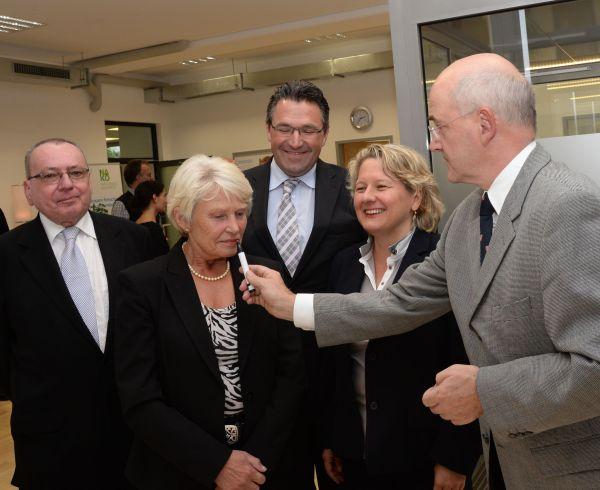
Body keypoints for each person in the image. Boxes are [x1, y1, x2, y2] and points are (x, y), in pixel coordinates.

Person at [241, 53, 600, 489]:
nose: (434, 143)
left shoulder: (567, 205)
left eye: (439, 126)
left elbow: (594, 366)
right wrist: (292, 305)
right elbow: (402, 301)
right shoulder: (469, 218)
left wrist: (484, 391)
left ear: (484, 124)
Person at [114, 154, 306, 490]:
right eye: (219, 216)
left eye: (240, 213)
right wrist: (217, 465)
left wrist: (254, 462)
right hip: (178, 470)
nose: (234, 227)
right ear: (182, 218)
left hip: (267, 468)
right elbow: (141, 399)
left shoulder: (265, 275)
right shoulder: (142, 286)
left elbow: (292, 374)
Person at [321, 143, 481, 489]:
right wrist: (334, 436)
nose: (368, 197)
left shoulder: (444, 260)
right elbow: (336, 365)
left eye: (382, 186)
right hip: (356, 456)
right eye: (361, 188)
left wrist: (454, 458)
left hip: (424, 457)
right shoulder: (343, 264)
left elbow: (466, 359)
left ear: (415, 197)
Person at [0, 138, 150, 489]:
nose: (67, 184)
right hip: (50, 446)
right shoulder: (6, 256)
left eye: (76, 172)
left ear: (88, 179)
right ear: (29, 190)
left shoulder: (134, 240)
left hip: (135, 440)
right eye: (50, 175)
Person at [242, 80, 365, 488]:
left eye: (308, 130)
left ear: (325, 134)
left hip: (335, 370)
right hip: (261, 375)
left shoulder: (352, 189)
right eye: (285, 128)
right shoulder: (238, 189)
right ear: (268, 130)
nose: (296, 141)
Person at [131, 179, 169, 258]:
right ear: (155, 198)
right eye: (164, 195)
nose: (167, 200)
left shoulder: (135, 226)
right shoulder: (154, 230)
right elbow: (164, 260)